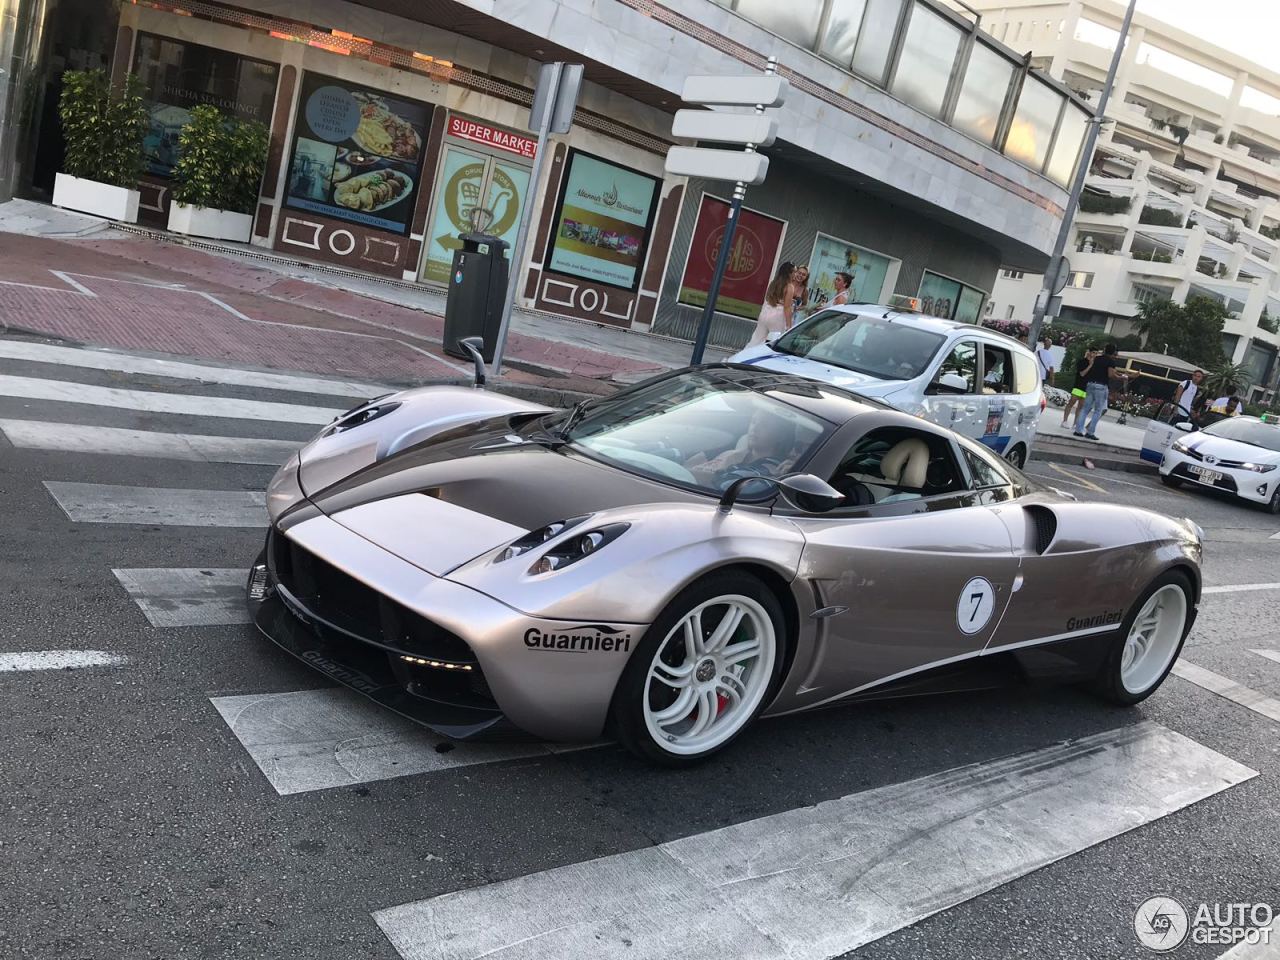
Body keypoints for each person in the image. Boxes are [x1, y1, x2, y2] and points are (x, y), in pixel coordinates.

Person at [688, 409, 797, 482]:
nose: (755, 428)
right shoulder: (735, 452)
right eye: (754, 421)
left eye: (765, 425)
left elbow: (720, 482)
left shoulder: (769, 469)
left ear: (780, 436)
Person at [1074, 342, 1129, 440]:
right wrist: (1121, 378)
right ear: (1113, 352)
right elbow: (1110, 375)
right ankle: (1090, 432)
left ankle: (1078, 430)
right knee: (1098, 410)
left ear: (1104, 350)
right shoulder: (1111, 361)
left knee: (1085, 408)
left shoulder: (1097, 358)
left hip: (1090, 384)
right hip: (1101, 386)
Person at [746, 262, 794, 348]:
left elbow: (768, 297)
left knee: (756, 339)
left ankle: (745, 356)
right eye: (794, 272)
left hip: (767, 310)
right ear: (789, 274)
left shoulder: (773, 283)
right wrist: (789, 325)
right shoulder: (789, 287)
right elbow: (787, 307)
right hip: (778, 315)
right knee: (773, 342)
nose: (795, 274)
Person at [1061, 347, 1093, 427]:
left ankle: (1075, 423)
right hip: (1078, 386)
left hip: (1086, 388)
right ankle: (1064, 421)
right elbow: (1082, 374)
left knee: (1081, 407)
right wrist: (1090, 365)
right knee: (1071, 403)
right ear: (1089, 352)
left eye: (1096, 353)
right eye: (1093, 352)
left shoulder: (1094, 364)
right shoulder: (1082, 362)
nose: (1094, 354)